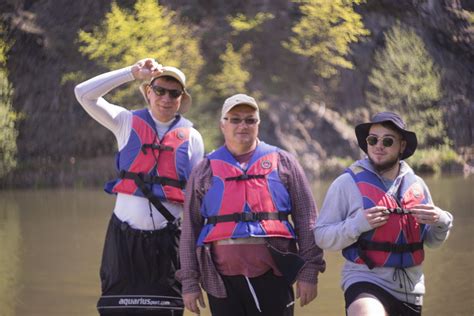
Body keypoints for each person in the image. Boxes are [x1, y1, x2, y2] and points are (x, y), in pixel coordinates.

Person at [74, 58, 204, 315]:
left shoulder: (193, 138)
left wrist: (194, 268)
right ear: (148, 92)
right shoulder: (125, 122)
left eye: (174, 93)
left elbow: (196, 204)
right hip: (123, 241)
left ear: (181, 98)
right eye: (160, 90)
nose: (166, 98)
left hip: (168, 244)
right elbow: (83, 94)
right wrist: (132, 72)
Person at [176, 93, 326, 316]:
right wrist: (189, 282)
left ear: (258, 124)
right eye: (235, 119)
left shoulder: (284, 162)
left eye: (250, 119)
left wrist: (309, 272)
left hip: (274, 275)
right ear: (222, 125)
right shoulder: (204, 170)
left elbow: (307, 219)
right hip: (221, 280)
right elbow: (190, 228)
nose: (242, 125)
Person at [314, 111, 454, 315]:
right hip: (364, 280)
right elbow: (321, 237)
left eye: (388, 141)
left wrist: (441, 221)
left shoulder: (417, 186)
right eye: (373, 140)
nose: (379, 145)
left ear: (402, 146)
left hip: (411, 290)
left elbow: (432, 241)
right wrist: (356, 224)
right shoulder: (346, 183)